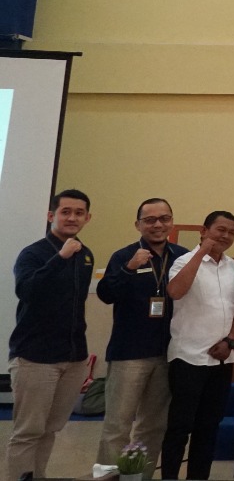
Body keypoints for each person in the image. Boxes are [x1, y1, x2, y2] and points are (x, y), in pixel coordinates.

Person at [8, 188, 95, 481]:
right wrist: (59, 258)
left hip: (73, 357)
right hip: (35, 356)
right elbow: (27, 291)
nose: (72, 218)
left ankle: (38, 476)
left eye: (79, 213)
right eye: (65, 212)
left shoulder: (85, 254)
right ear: (51, 216)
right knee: (28, 432)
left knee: (51, 429)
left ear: (87, 218)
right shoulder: (33, 253)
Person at [97, 197, 188, 475]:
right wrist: (129, 268)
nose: (158, 224)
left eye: (164, 218)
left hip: (167, 353)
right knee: (117, 425)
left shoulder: (182, 256)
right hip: (129, 354)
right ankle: (109, 478)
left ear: (172, 222)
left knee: (153, 425)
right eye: (150, 220)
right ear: (138, 224)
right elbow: (106, 294)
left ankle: (140, 476)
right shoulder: (123, 256)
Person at [162, 210, 234, 481]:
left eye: (231, 232)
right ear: (204, 231)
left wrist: (231, 341)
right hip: (188, 357)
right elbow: (175, 292)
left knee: (209, 427)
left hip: (221, 358)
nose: (226, 236)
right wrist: (201, 253)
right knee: (179, 426)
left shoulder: (232, 266)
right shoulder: (183, 261)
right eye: (221, 230)